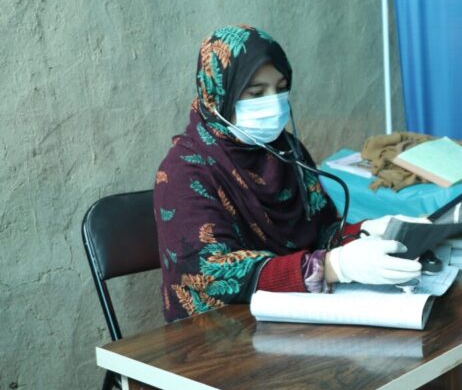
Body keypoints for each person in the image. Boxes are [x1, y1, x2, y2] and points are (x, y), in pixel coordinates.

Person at [154, 25, 420, 322]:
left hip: (298, 312)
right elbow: (213, 274)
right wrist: (332, 267)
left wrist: (369, 231)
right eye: (256, 93)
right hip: (219, 327)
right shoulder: (184, 171)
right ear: (220, 95)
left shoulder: (285, 150)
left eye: (281, 89)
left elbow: (321, 232)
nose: (274, 102)